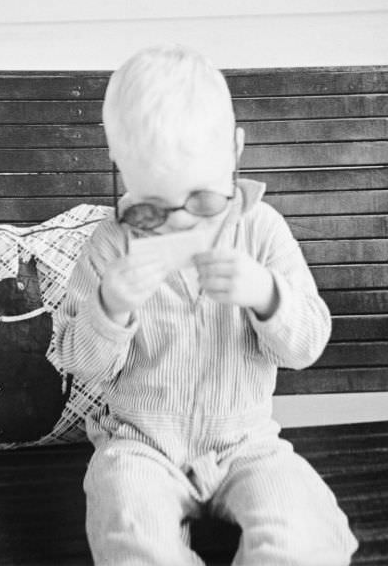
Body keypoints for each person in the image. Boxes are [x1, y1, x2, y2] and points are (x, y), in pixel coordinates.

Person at [53, 46, 358, 566]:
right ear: (119, 166)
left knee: (302, 534)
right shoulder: (111, 248)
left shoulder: (261, 234)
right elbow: (79, 364)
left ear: (235, 152)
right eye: (154, 207)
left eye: (203, 200)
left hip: (247, 443)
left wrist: (266, 294)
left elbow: (308, 343)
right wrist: (111, 306)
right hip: (139, 445)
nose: (180, 225)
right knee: (129, 536)